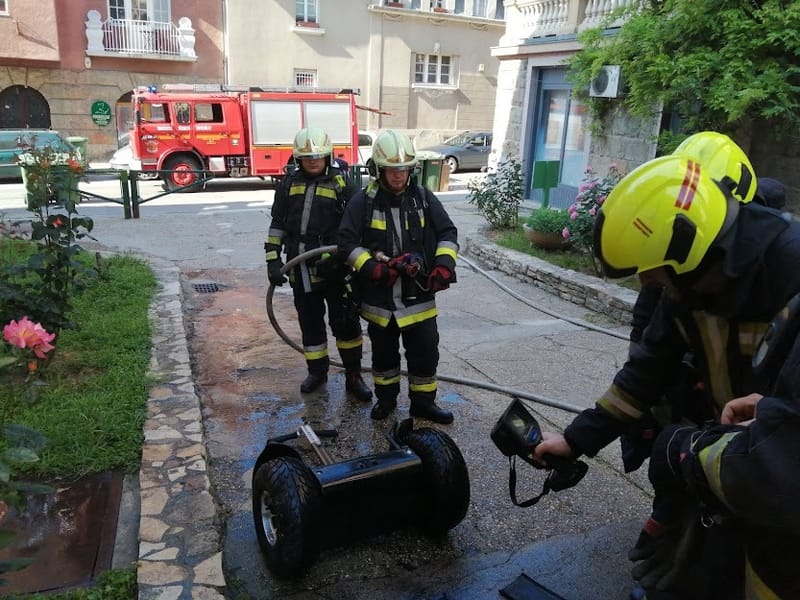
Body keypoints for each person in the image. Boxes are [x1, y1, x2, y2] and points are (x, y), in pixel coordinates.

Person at [533, 153, 800, 599]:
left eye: (653, 275)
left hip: (776, 488)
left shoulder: (790, 274)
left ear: (691, 255)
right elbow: (647, 368)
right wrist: (577, 439)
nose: (648, 285)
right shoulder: (691, 287)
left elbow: (786, 457)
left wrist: (696, 452)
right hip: (739, 462)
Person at [337, 129, 459, 425]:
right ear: (378, 170)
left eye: (403, 169)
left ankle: (423, 405)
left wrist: (443, 265)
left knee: (425, 355)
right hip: (380, 305)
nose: (398, 176)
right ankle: (387, 401)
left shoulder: (424, 198)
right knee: (384, 360)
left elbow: (447, 233)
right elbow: (346, 243)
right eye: (391, 170)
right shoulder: (363, 202)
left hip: (418, 300)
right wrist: (372, 267)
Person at [265, 126, 372, 401]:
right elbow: (277, 224)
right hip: (300, 269)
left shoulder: (343, 184)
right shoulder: (288, 184)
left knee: (346, 324)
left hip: (337, 270)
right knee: (310, 324)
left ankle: (353, 376)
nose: (313, 160)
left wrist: (338, 260)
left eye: (318, 156)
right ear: (297, 158)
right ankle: (317, 372)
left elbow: (355, 229)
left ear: (328, 156)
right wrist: (273, 260)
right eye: (307, 156)